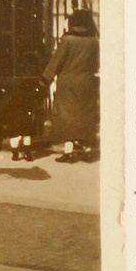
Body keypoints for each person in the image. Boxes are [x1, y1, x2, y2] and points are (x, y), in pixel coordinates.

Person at [42, 8, 100, 162]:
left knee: (67, 117)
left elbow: (56, 61)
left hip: (68, 83)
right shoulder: (95, 41)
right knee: (86, 117)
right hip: (88, 82)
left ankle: (69, 152)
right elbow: (98, 63)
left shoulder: (68, 40)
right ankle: (88, 150)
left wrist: (45, 79)